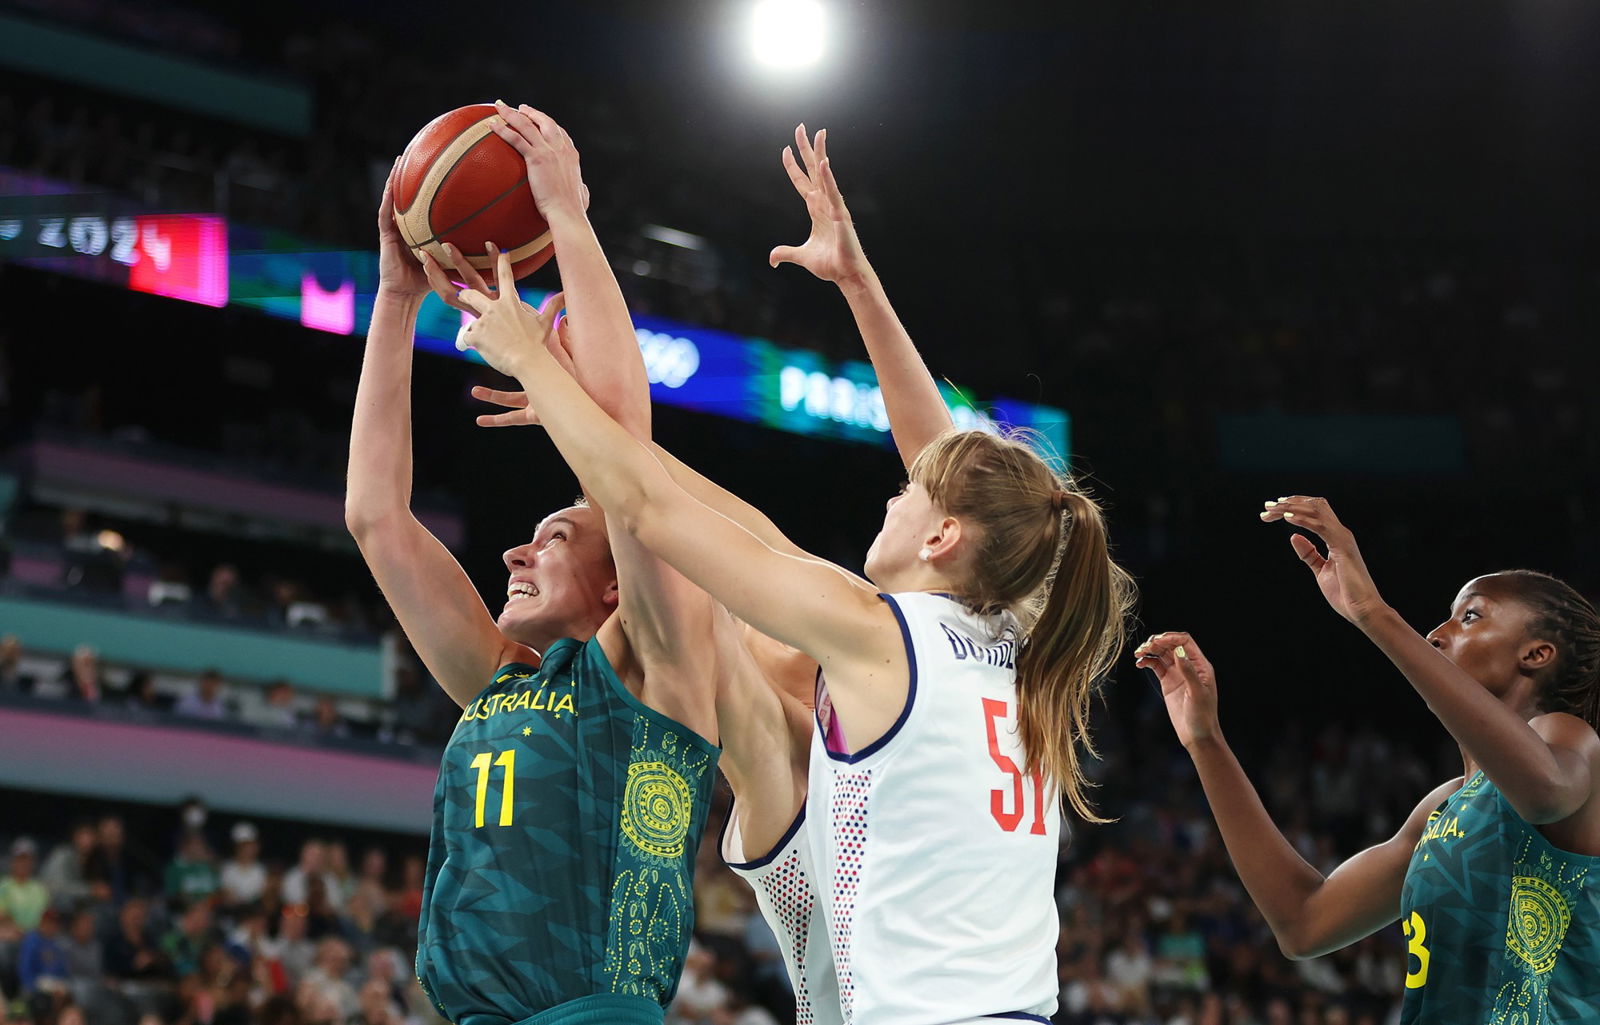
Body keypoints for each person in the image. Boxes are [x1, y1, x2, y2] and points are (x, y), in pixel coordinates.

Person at [455, 105, 1135, 1025]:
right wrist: (857, 284)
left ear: (942, 540)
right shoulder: (1021, 635)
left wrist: (539, 367)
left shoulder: (867, 637)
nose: (891, 496)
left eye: (905, 497)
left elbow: (651, 509)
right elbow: (947, 468)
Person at [347, 106, 726, 1025]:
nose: (518, 548)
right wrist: (396, 300)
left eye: (556, 533)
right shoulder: (502, 683)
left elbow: (626, 456)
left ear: (615, 585)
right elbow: (376, 516)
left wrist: (566, 215)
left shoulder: (653, 668)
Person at [1136, 495, 1600, 1024]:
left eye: (1469, 617)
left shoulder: (1569, 739)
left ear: (1537, 654)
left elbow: (1544, 792)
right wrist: (1206, 742)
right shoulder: (1442, 810)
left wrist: (1372, 612)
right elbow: (1303, 922)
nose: (1437, 634)